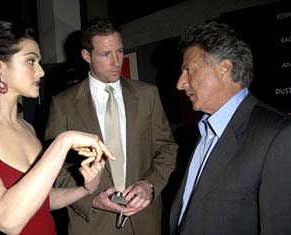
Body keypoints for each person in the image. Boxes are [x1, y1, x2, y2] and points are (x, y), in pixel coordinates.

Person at [0, 19, 115, 235]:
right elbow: (8, 220)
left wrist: (85, 189)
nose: (41, 71)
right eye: (31, 61)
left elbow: (41, 200)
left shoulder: (27, 128)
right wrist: (63, 142)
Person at [44, 17, 178, 235]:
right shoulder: (63, 104)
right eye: (106, 55)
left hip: (144, 221)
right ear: (86, 56)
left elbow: (167, 148)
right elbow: (55, 167)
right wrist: (90, 197)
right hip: (93, 223)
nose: (117, 62)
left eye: (119, 51)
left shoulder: (147, 95)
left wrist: (149, 184)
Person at [169, 21, 291, 235]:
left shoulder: (278, 134)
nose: (180, 83)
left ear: (224, 68)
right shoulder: (203, 131)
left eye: (188, 70)